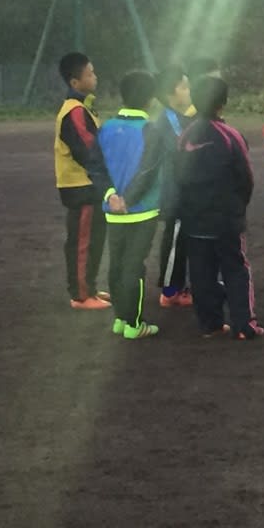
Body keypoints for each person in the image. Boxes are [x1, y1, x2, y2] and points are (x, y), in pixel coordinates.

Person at [177, 76, 264, 340]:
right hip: (226, 219)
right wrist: (238, 206)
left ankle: (210, 324)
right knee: (236, 268)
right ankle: (244, 325)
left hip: (194, 218)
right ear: (224, 103)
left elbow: (176, 176)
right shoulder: (230, 136)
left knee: (201, 272)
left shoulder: (185, 136)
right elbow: (246, 177)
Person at [96, 72, 163, 340]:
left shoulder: (106, 127)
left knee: (116, 264)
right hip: (142, 209)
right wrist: (130, 199)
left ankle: (121, 319)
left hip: (113, 211)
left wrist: (112, 195)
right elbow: (149, 169)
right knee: (135, 266)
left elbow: (96, 166)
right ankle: (135, 324)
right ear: (150, 98)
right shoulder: (151, 130)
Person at [54, 52, 111, 310]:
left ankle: (88, 285)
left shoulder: (84, 108)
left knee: (93, 238)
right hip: (81, 187)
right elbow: (88, 151)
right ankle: (81, 294)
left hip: (88, 186)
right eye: (89, 73)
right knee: (82, 240)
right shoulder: (75, 112)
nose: (95, 76)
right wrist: (106, 177)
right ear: (74, 82)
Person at [152, 65, 194, 308]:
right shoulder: (167, 121)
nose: (189, 91)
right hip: (175, 194)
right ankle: (169, 291)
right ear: (170, 94)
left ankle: (179, 286)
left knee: (183, 239)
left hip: (183, 192)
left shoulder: (178, 117)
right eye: (184, 87)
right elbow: (181, 151)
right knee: (175, 240)